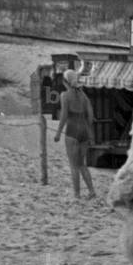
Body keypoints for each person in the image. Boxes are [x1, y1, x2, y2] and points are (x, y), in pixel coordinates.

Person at [54, 69, 96, 199]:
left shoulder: (65, 95)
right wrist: (90, 133)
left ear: (65, 82)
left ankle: (77, 194)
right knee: (82, 164)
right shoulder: (83, 96)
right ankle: (91, 191)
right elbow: (90, 116)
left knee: (74, 166)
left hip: (72, 131)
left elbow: (64, 116)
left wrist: (58, 133)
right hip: (84, 131)